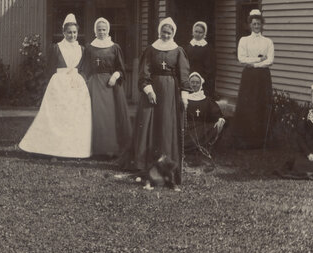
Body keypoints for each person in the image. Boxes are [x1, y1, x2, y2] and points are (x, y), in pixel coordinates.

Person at [18, 14, 92, 158]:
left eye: (74, 32)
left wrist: (79, 79)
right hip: (59, 85)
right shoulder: (56, 48)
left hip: (76, 86)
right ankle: (55, 151)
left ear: (78, 33)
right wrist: (57, 83)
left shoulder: (82, 49)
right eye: (69, 32)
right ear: (64, 33)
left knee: (75, 117)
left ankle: (75, 151)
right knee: (58, 117)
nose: (72, 35)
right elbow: (50, 69)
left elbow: (84, 68)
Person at [131, 17, 190, 189]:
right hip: (153, 91)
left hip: (170, 93)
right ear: (159, 32)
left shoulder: (178, 51)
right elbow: (144, 72)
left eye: (169, 32)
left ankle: (168, 169)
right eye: (163, 32)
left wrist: (184, 95)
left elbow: (183, 74)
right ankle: (147, 169)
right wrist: (148, 90)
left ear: (173, 33)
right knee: (150, 127)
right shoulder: (151, 49)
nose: (166, 35)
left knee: (166, 127)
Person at [80, 17, 133, 165]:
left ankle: (112, 150)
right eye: (99, 29)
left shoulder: (115, 47)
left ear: (108, 30)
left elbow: (121, 68)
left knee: (111, 116)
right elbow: (85, 68)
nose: (101, 32)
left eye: (104, 29)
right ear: (95, 31)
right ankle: (95, 150)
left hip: (111, 86)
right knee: (96, 116)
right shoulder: (90, 47)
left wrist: (115, 76)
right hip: (94, 85)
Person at [234, 8, 274, 149]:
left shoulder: (268, 41)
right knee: (248, 104)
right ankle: (246, 139)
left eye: (259, 24)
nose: (256, 26)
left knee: (261, 103)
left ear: (262, 25)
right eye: (254, 24)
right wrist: (258, 59)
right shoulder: (244, 40)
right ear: (249, 25)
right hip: (249, 77)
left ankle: (262, 139)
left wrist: (254, 64)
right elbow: (241, 59)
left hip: (263, 76)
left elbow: (270, 60)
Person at [181, 71, 226, 165]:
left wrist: (220, 119)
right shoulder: (184, 99)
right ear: (189, 84)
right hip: (188, 127)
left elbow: (216, 113)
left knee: (210, 128)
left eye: (197, 82)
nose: (194, 85)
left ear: (201, 84)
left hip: (202, 127)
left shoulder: (207, 100)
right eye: (192, 82)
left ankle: (199, 152)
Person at [185, 21, 215, 98]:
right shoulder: (188, 47)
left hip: (203, 79)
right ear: (193, 32)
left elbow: (210, 67)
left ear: (204, 34)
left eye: (200, 32)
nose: (198, 34)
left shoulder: (208, 48)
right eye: (196, 31)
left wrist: (203, 79)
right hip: (189, 78)